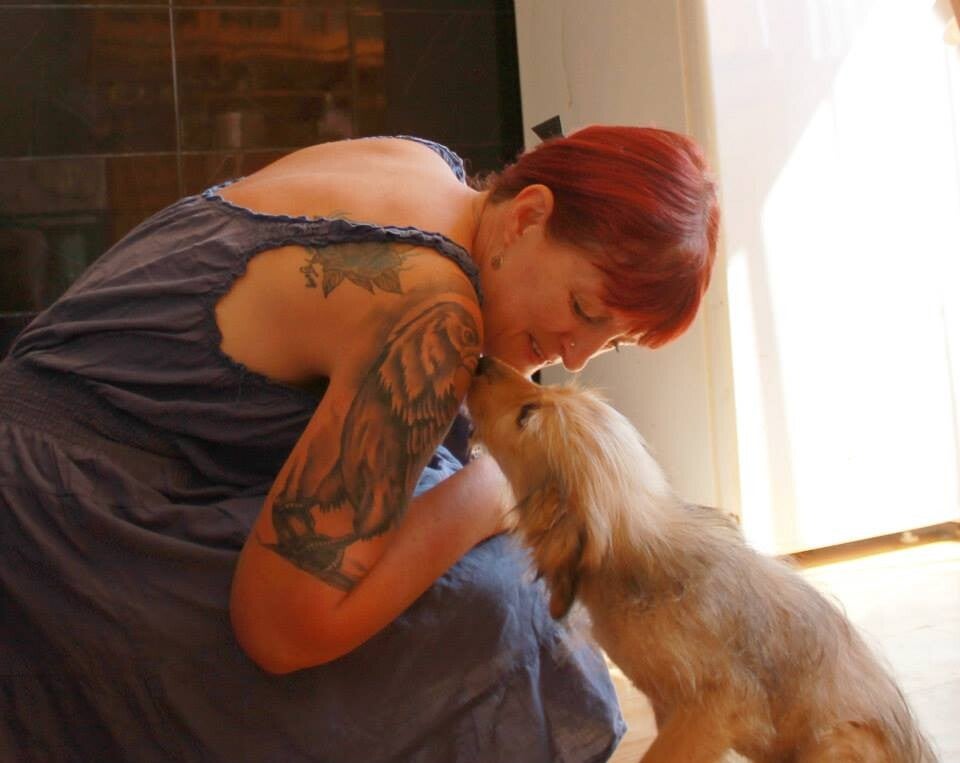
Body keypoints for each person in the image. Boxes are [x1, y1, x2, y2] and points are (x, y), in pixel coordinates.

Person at [0, 126, 718, 762]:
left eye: (610, 342)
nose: (577, 355)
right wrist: (498, 486)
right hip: (60, 529)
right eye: (583, 309)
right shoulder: (433, 309)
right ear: (529, 214)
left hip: (55, 450)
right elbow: (281, 631)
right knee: (510, 594)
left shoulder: (422, 165)